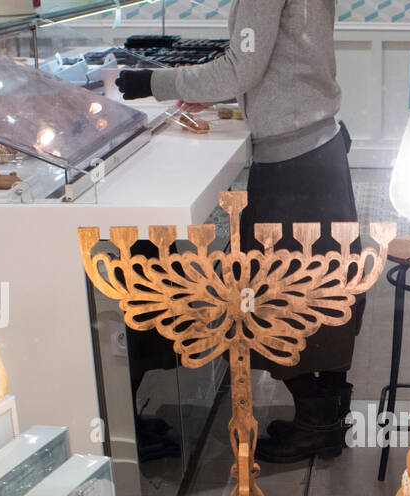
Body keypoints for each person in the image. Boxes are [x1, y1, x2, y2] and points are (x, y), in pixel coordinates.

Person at [116, 0, 362, 465]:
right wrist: (222, 89)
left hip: (294, 161)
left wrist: (151, 82)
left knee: (278, 297)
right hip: (316, 148)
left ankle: (317, 424)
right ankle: (323, 419)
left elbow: (241, 68)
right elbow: (276, 59)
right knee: (324, 290)